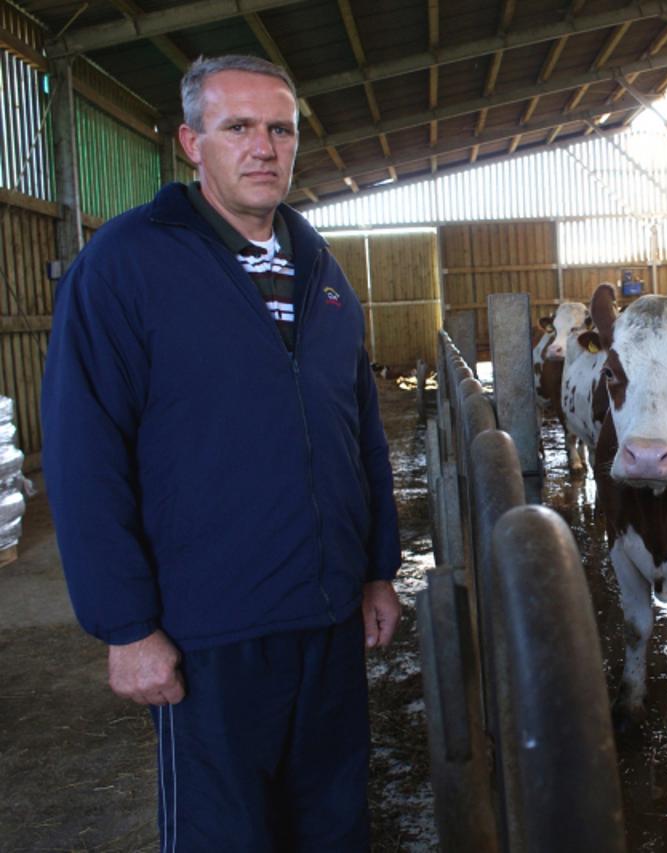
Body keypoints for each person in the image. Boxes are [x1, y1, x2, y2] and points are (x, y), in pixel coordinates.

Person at [41, 54, 401, 851]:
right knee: (226, 833)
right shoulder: (128, 264)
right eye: (237, 127)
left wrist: (378, 565)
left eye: (280, 129)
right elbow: (83, 453)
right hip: (210, 628)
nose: (262, 147)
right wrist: (126, 626)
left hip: (331, 616)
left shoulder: (324, 274)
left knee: (335, 823)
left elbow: (360, 430)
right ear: (191, 143)